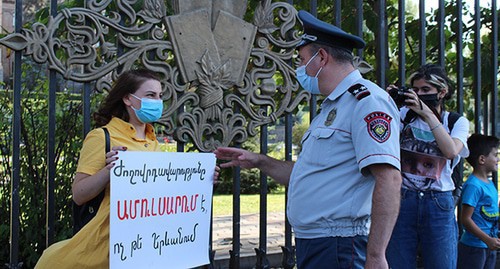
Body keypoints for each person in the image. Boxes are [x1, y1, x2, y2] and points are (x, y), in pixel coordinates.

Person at [214, 10, 402, 269]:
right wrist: (259, 161)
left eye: (302, 60)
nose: (300, 68)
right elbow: (310, 174)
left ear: (322, 57)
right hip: (316, 242)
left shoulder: (368, 102)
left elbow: (389, 178)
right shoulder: (331, 107)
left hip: (339, 245)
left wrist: (375, 256)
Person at [36, 69, 174, 268]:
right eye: (150, 95)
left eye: (160, 96)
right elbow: (79, 194)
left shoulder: (153, 142)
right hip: (104, 247)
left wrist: (200, 180)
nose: (157, 102)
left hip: (142, 246)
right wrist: (109, 170)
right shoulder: (101, 137)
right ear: (127, 98)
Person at [386, 64, 470, 269]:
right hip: (403, 199)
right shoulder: (403, 116)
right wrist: (386, 103)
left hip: (438, 202)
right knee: (397, 263)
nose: (418, 94)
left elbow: (451, 151)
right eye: (415, 90)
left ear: (442, 92)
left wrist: (428, 114)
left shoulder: (455, 121)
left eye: (425, 90)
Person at [457, 134, 500, 269]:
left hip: (488, 245)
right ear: (482, 159)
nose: (497, 159)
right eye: (495, 155)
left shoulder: (490, 184)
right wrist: (487, 239)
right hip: (474, 247)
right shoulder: (474, 186)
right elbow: (466, 219)